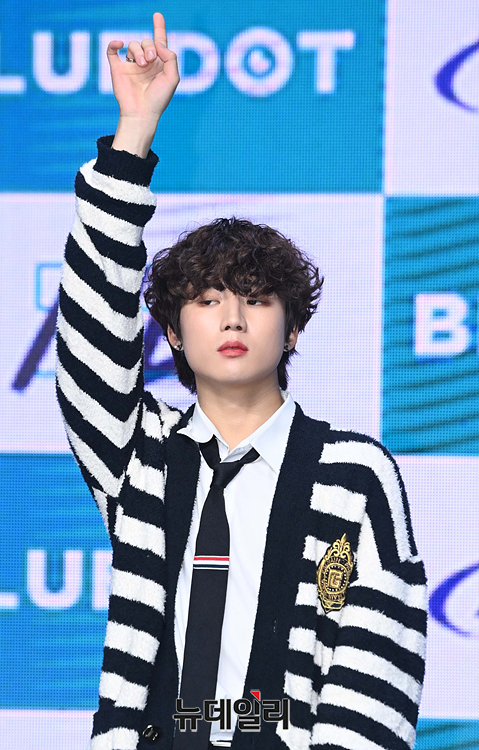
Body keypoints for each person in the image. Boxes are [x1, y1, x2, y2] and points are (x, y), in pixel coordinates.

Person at [55, 12, 427, 750]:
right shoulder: (143, 457)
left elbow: (377, 665)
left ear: (292, 329)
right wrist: (134, 131)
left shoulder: (354, 474)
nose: (231, 317)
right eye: (206, 301)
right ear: (171, 333)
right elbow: (91, 330)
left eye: (256, 300)